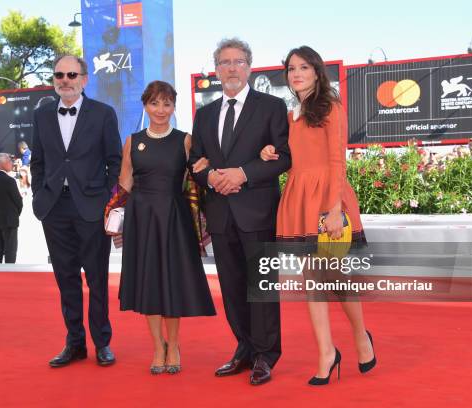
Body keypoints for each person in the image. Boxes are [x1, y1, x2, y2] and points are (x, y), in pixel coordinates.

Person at [260, 46, 375, 386]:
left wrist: (335, 208)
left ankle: (360, 336)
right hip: (299, 196)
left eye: (304, 67)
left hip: (328, 197)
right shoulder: (290, 113)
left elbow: (338, 161)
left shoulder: (331, 107)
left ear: (317, 72)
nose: (296, 74)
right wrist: (268, 150)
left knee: (334, 278)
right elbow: (288, 153)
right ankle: (326, 352)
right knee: (313, 279)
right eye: (291, 69)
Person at [189, 38, 291, 385]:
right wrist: (212, 177)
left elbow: (284, 156)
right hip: (219, 212)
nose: (231, 68)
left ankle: (266, 354)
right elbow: (195, 162)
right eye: (224, 62)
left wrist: (242, 174)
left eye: (238, 61)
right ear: (215, 70)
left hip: (258, 212)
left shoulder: (271, 107)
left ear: (249, 67)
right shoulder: (203, 115)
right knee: (232, 288)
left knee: (261, 286)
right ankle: (244, 348)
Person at [110, 81, 216, 375]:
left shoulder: (185, 140)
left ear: (174, 107)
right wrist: (111, 215)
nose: (160, 110)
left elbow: (198, 178)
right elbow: (124, 184)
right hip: (141, 219)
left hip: (173, 219)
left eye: (167, 104)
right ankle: (158, 346)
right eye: (155, 103)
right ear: (145, 105)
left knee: (172, 283)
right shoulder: (133, 140)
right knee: (149, 284)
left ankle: (174, 344)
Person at [30, 55, 122, 368]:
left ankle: (102, 343)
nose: (64, 80)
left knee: (97, 280)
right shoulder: (41, 114)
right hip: (54, 208)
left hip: (92, 208)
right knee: (66, 279)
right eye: (59, 74)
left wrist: (106, 202)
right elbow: (38, 161)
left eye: (71, 74)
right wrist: (40, 195)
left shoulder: (103, 113)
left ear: (83, 78)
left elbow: (115, 161)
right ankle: (75, 343)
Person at [0, 153, 23, 263]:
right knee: (10, 250)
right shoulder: (9, 181)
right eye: (9, 161)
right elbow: (18, 201)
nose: (11, 163)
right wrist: (15, 214)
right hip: (10, 219)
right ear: (2, 164)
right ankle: (10, 274)